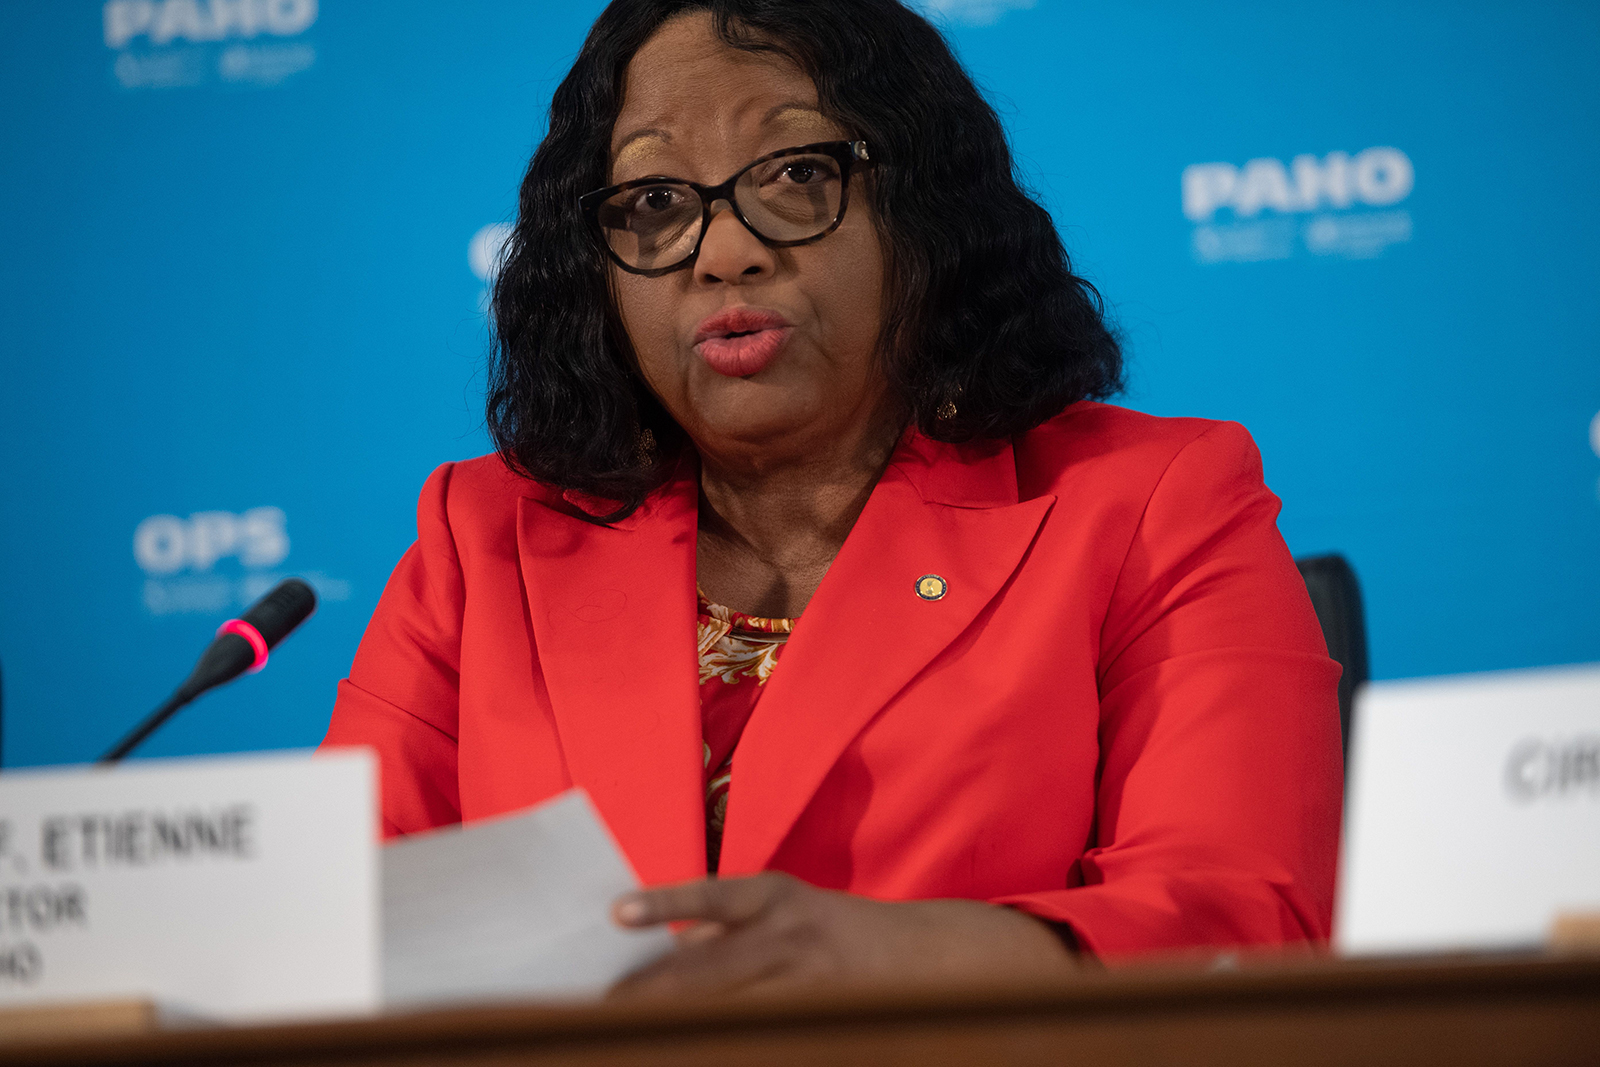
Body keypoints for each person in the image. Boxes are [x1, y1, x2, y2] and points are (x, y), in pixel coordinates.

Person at [322, 0, 1342, 997]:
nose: (723, 252)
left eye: (797, 173)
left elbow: (1244, 918)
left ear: (924, 209)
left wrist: (894, 964)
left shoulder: (1148, 504)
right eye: (655, 202)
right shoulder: (482, 541)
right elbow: (330, 929)